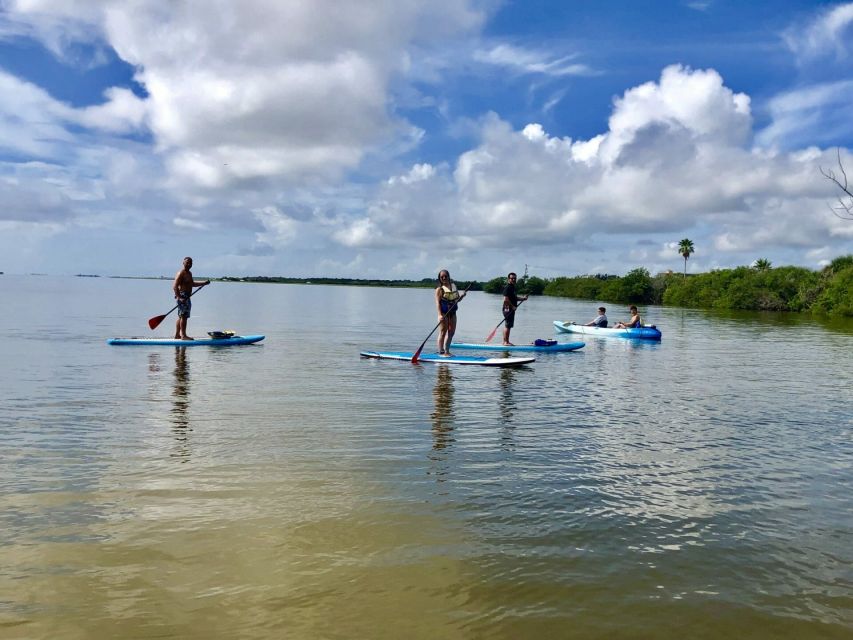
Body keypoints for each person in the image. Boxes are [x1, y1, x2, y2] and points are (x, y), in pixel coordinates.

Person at [173, 256, 210, 340]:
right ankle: (183, 336)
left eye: (190, 263)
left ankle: (177, 335)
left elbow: (192, 284)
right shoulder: (181, 273)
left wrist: (204, 283)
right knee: (184, 316)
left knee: (181, 316)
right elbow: (174, 286)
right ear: (183, 263)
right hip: (182, 296)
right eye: (187, 262)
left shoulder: (189, 273)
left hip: (186, 297)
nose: (189, 264)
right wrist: (179, 297)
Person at [435, 269, 466, 356]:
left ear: (448, 276)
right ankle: (441, 351)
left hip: (453, 313)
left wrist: (462, 296)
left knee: (451, 332)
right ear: (440, 278)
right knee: (442, 332)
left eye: (445, 276)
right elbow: (437, 303)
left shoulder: (453, 286)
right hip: (443, 314)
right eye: (442, 277)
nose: (444, 278)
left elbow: (457, 300)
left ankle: (447, 351)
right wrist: (439, 315)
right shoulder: (439, 289)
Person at [501, 272, 528, 346]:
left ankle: (505, 342)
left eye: (514, 278)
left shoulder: (512, 287)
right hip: (508, 309)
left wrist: (523, 298)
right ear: (508, 279)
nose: (513, 279)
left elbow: (515, 298)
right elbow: (505, 299)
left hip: (510, 309)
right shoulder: (508, 287)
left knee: (507, 325)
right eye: (512, 278)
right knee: (508, 325)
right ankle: (506, 342)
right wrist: (512, 306)